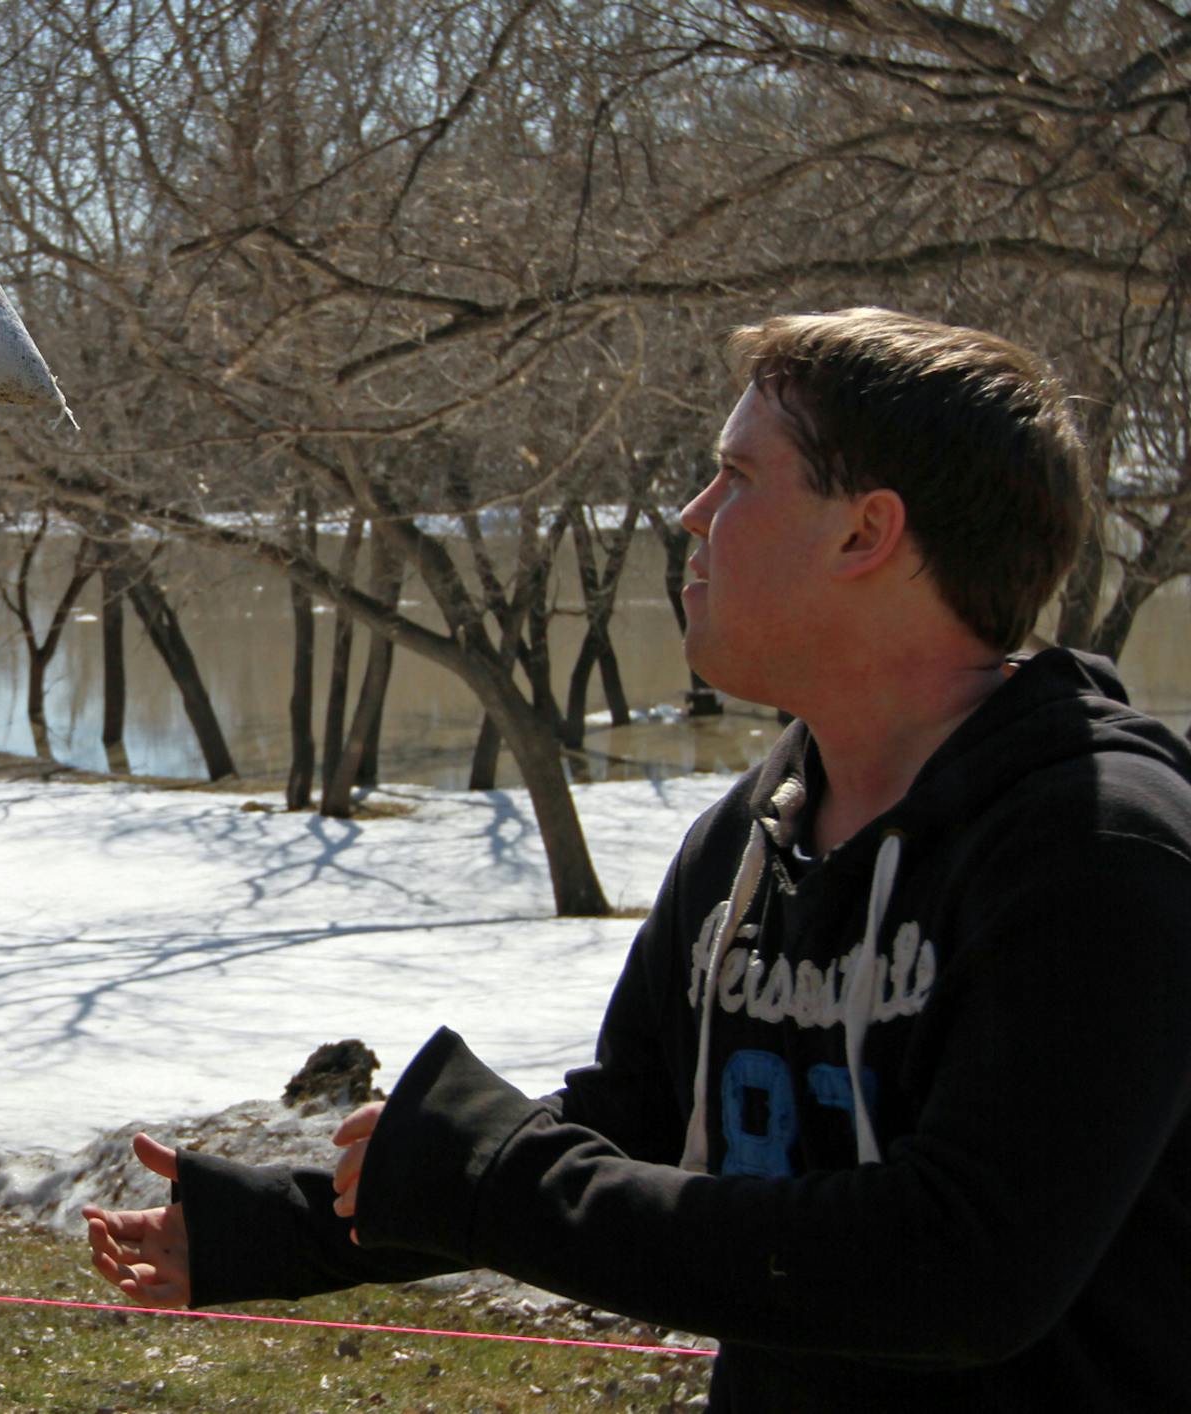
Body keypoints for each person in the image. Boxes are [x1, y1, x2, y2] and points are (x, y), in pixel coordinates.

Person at [85, 309, 1191, 1410]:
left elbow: (962, 1266)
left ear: (866, 533)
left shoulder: (1099, 848)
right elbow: (632, 1128)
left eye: (736, 478)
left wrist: (498, 1178)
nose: (691, 514)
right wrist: (282, 1227)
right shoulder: (756, 830)